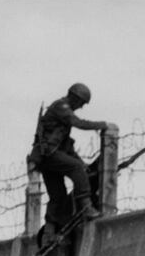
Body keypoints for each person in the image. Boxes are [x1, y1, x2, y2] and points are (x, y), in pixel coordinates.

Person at [29, 82, 114, 224]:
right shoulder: (61, 107)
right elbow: (78, 123)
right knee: (76, 168)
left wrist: (81, 162)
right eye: (82, 102)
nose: (81, 106)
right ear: (75, 98)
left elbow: (66, 146)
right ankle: (87, 208)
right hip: (48, 155)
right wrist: (102, 125)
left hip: (46, 158)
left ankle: (51, 230)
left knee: (58, 197)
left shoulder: (61, 114)